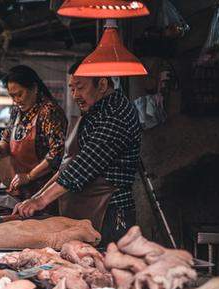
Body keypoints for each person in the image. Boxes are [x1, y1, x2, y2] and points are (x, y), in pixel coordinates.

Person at [13, 60, 142, 247]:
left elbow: (83, 165)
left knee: (107, 270)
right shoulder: (94, 111)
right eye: (72, 89)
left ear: (103, 85)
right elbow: (68, 166)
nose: (75, 95)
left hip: (110, 215)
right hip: (85, 212)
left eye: (80, 88)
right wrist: (34, 198)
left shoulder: (117, 114)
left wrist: (41, 201)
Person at [0, 65, 67, 204]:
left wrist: (29, 176)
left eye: (20, 94)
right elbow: (6, 138)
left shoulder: (49, 112)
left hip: (45, 192)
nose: (16, 100)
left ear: (35, 88)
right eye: (12, 96)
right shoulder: (17, 111)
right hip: (20, 188)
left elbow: (57, 154)